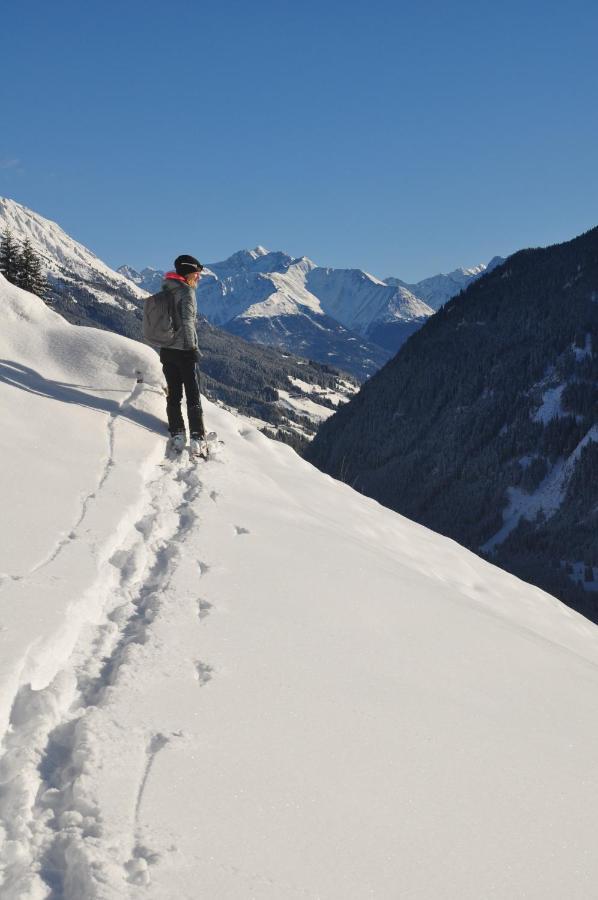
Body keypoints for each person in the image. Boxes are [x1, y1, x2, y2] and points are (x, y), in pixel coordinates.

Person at [160, 254, 206, 454]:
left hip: (166, 349)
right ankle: (197, 437)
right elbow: (187, 322)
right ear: (189, 274)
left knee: (174, 395)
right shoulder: (187, 293)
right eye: (197, 274)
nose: (199, 278)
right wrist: (193, 349)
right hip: (184, 352)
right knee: (193, 396)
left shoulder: (166, 288)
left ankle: (177, 432)